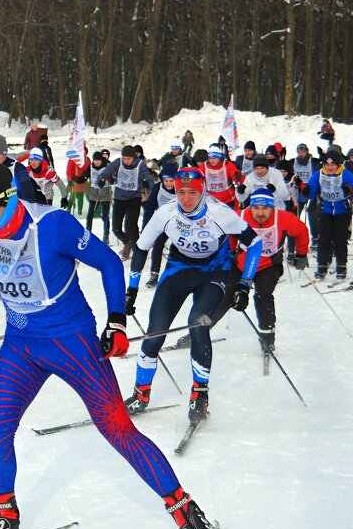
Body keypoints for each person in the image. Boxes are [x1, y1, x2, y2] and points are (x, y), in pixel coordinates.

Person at [0, 163, 219, 529]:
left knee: (117, 429)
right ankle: (3, 515)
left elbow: (109, 262)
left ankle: (184, 510)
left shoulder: (53, 225)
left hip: (71, 342)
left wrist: (115, 321)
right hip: (22, 344)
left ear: (8, 201)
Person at [123, 167, 263, 426]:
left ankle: (200, 394)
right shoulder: (165, 212)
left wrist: (244, 283)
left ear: (202, 192)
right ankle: (140, 394)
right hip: (179, 270)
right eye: (180, 192)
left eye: (192, 192)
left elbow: (255, 244)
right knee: (155, 332)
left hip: (214, 272)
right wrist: (131, 290)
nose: (185, 198)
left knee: (198, 325)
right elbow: (142, 248)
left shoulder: (220, 213)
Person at [210, 188, 309, 352]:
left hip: (269, 265)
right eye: (256, 208)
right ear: (250, 207)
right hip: (242, 262)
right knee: (226, 296)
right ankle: (200, 332)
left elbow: (302, 231)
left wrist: (302, 253)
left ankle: (267, 337)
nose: (260, 213)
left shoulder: (283, 218)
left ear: (272, 207)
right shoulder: (239, 216)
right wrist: (231, 252)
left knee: (263, 295)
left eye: (265, 209)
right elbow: (230, 235)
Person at [299, 148, 353, 282]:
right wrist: (305, 192)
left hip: (342, 211)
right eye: (327, 165)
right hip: (325, 210)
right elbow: (310, 191)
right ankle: (322, 264)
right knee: (323, 238)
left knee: (340, 238)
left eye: (333, 165)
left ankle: (341, 266)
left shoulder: (345, 174)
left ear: (338, 165)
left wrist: (349, 190)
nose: (330, 168)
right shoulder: (319, 174)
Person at [98, 145, 158, 259]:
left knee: (132, 226)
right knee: (116, 229)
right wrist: (101, 179)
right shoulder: (118, 162)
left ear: (134, 158)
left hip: (134, 199)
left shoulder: (140, 165)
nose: (126, 161)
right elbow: (106, 171)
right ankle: (128, 243)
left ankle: (137, 252)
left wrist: (150, 188)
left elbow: (149, 179)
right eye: (124, 158)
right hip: (120, 198)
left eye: (129, 159)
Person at [139, 161, 178, 288]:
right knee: (158, 244)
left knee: (179, 247)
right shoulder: (157, 188)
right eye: (166, 180)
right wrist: (146, 228)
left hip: (180, 223)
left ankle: (178, 274)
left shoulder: (181, 189)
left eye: (171, 180)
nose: (168, 184)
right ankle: (154, 275)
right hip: (164, 223)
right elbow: (149, 209)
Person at [78, 151, 112, 242]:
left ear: (101, 160)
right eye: (95, 160)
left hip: (105, 192)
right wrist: (79, 179)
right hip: (94, 192)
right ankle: (88, 235)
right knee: (90, 215)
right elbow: (85, 175)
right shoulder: (91, 167)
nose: (96, 162)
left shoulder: (107, 167)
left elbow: (112, 179)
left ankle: (106, 236)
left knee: (105, 216)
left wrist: (107, 179)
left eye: (98, 160)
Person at [199, 143, 243, 209]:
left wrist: (238, 178)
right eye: (210, 158)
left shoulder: (227, 165)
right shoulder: (204, 166)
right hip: (210, 199)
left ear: (219, 157)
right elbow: (198, 177)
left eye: (214, 158)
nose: (212, 161)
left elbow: (235, 174)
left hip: (227, 199)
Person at [65, 148, 89, 216]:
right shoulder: (73, 159)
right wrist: (70, 180)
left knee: (81, 196)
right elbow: (69, 170)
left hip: (83, 180)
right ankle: (69, 209)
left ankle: (79, 211)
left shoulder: (87, 159)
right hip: (74, 179)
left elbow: (89, 170)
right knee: (73, 196)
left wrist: (86, 176)